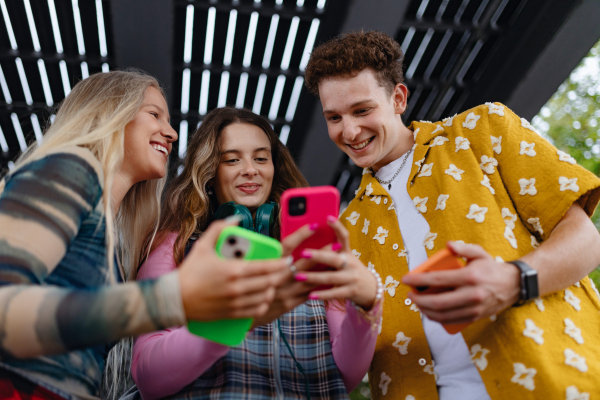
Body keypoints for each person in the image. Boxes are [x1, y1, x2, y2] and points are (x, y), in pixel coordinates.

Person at [299, 31, 600, 398]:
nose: (349, 130)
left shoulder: (483, 129)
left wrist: (512, 280)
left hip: (552, 381)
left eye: (362, 110)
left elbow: (586, 240)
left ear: (398, 98)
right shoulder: (346, 228)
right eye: (334, 117)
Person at [0, 71, 290, 400]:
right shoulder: (71, 166)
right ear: (109, 112)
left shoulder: (111, 234)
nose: (171, 133)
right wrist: (171, 297)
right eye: (154, 114)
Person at [130, 107, 381, 399]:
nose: (251, 169)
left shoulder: (310, 252)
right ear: (210, 172)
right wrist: (232, 319)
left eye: (261, 158)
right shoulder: (175, 246)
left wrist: (365, 307)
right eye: (232, 159)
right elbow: (148, 377)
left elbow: (343, 375)